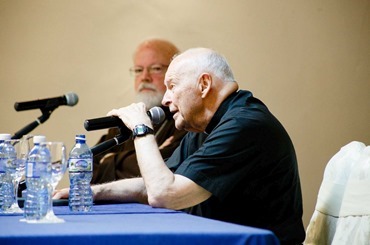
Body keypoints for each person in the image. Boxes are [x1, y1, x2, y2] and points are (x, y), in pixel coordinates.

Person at [55, 47, 305, 244]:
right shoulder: (207, 125)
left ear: (204, 84)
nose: (165, 99)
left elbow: (164, 194)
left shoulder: (244, 125)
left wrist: (142, 129)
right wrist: (94, 192)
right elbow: (154, 184)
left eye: (172, 86)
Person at [91, 38, 187, 184]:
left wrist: (110, 160)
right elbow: (88, 172)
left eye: (156, 68)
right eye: (138, 70)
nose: (144, 77)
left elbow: (167, 169)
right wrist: (152, 154)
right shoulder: (125, 120)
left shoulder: (185, 119)